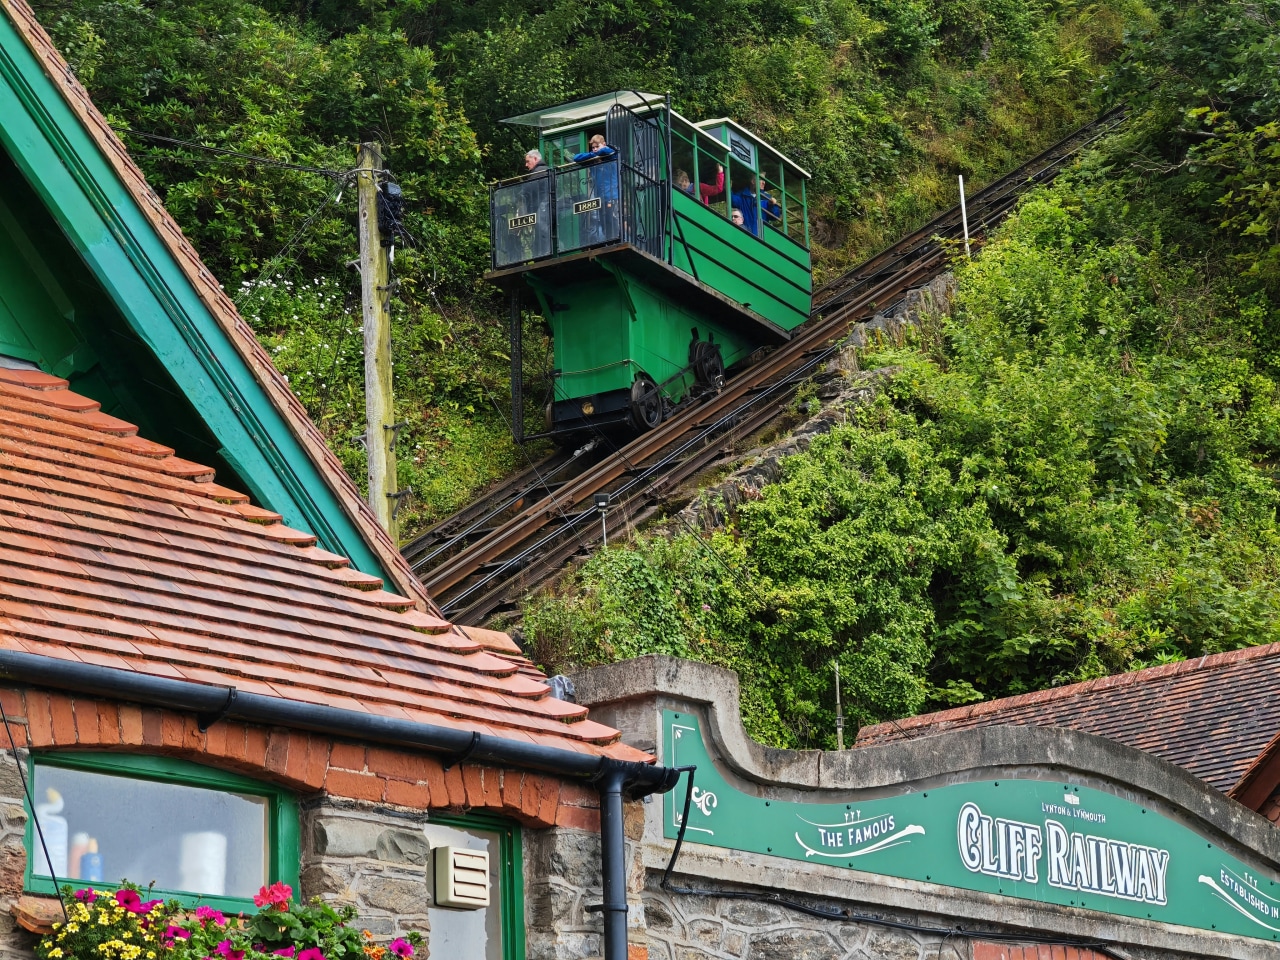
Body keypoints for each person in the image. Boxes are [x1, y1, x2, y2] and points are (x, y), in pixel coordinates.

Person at [572, 134, 618, 244]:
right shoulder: (593, 159)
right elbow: (576, 158)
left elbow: (608, 151)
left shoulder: (611, 154)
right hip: (600, 197)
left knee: (612, 220)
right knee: (603, 221)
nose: (595, 149)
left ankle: (615, 241)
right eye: (593, 147)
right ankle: (608, 242)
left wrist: (597, 153)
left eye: (597, 146)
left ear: (604, 144)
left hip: (612, 194)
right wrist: (594, 154)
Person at [730, 174, 782, 238]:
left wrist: (772, 206)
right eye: (761, 179)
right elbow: (732, 201)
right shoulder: (742, 196)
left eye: (764, 180)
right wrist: (728, 188)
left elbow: (776, 216)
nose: (764, 182)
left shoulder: (767, 198)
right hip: (745, 235)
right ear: (753, 181)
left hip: (761, 238)